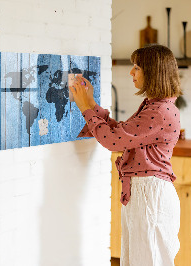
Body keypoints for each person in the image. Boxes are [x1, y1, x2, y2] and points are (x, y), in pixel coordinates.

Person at [70, 44, 182, 266]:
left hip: (150, 195)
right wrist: (91, 103)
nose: (131, 72)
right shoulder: (155, 106)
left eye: (137, 67)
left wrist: (85, 108)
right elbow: (121, 133)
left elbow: (113, 141)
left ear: (153, 72)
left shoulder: (159, 111)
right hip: (145, 193)